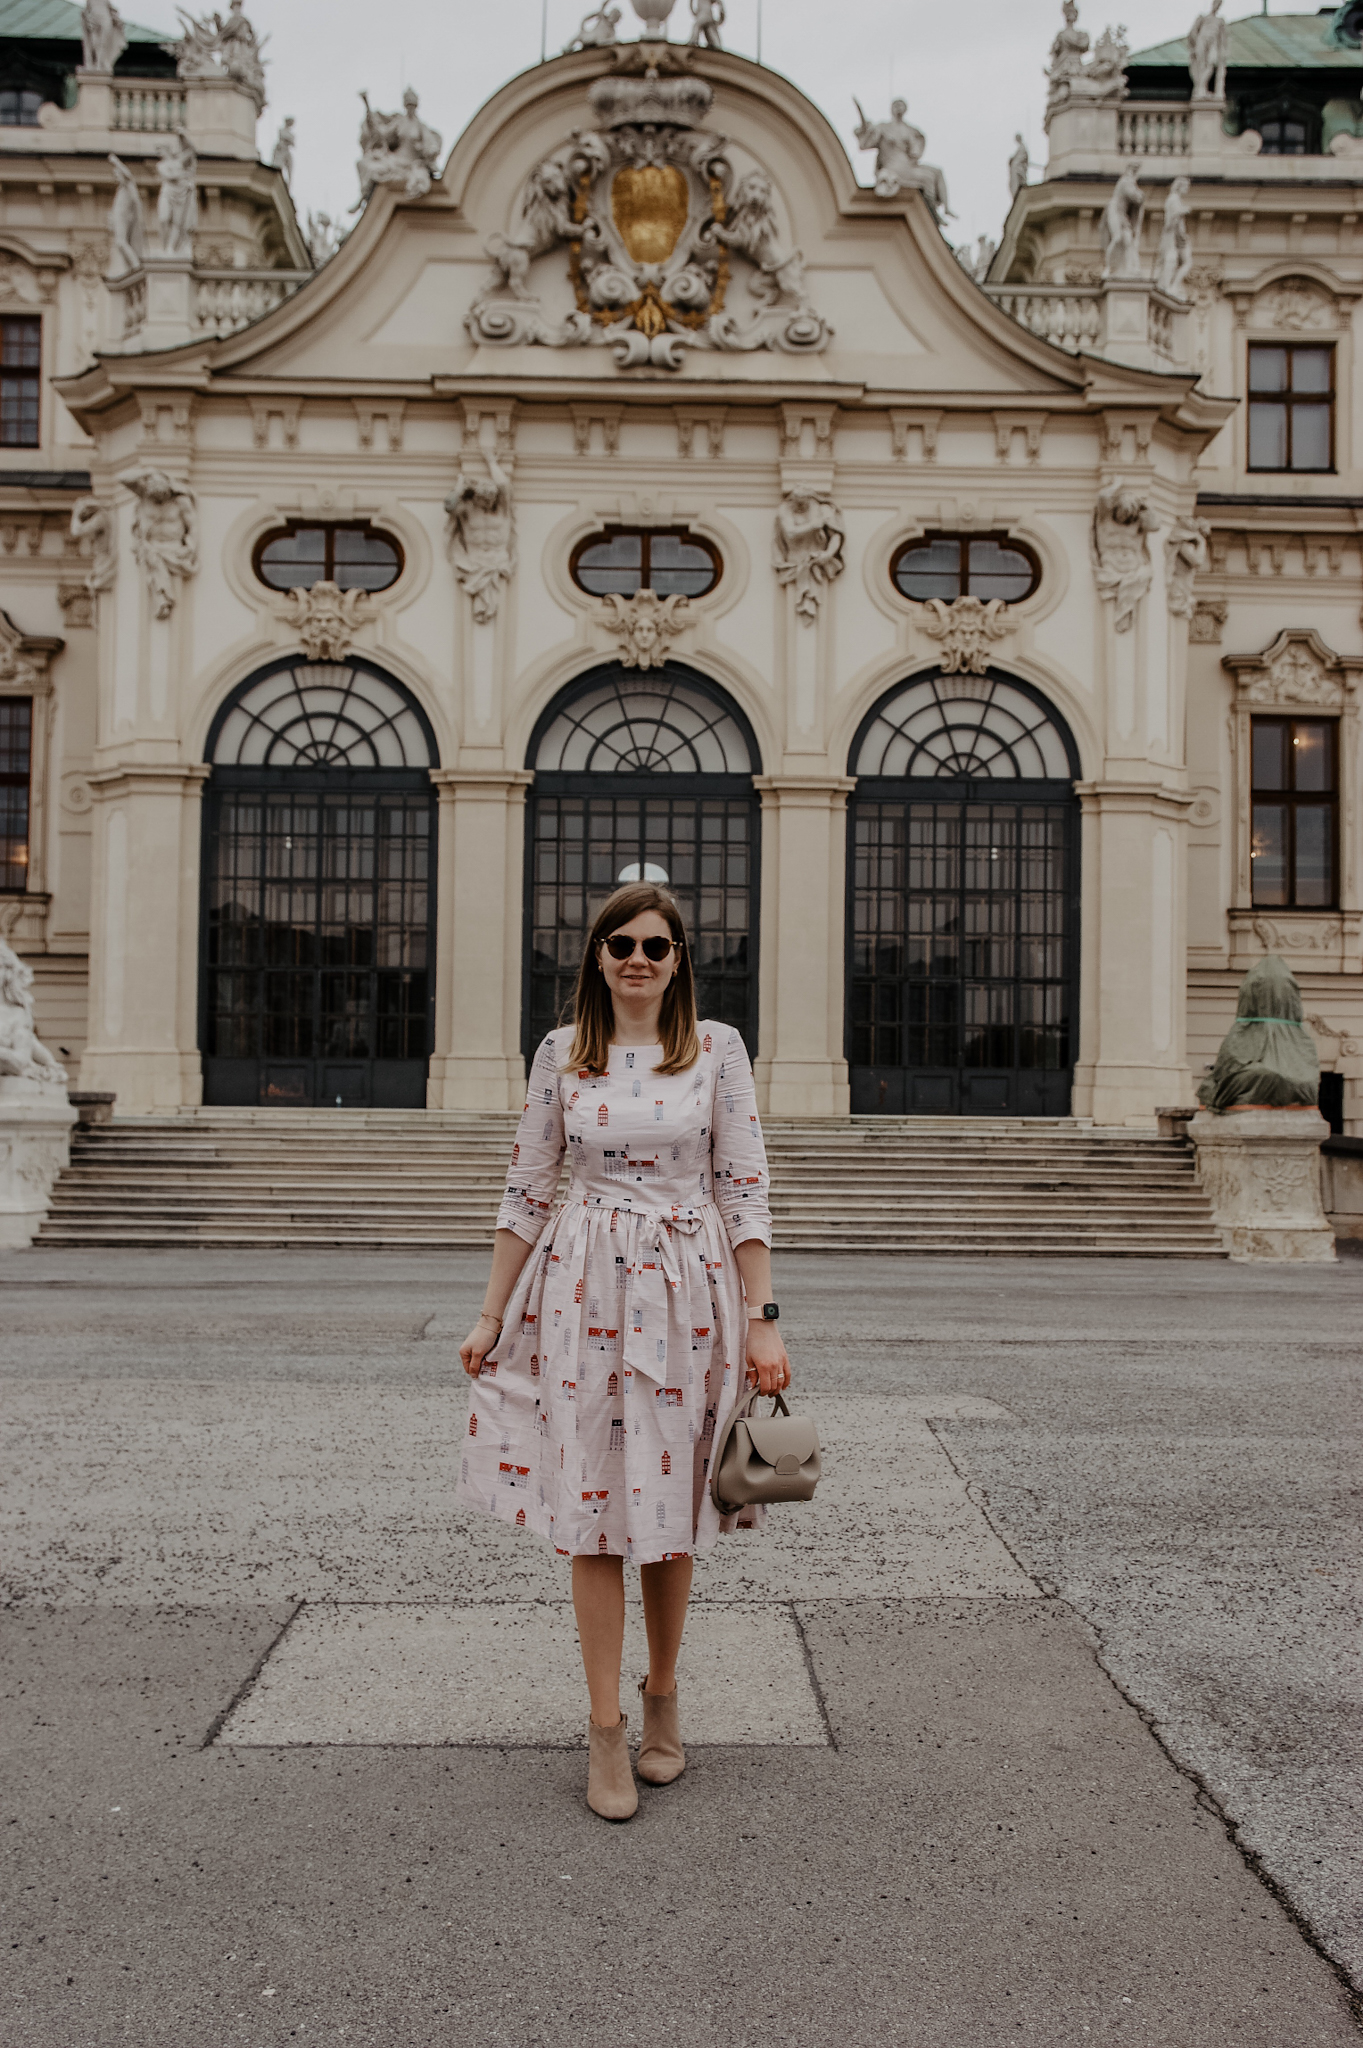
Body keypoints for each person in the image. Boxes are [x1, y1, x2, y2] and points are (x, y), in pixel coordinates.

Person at [458, 882, 789, 1822]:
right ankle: (604, 1724)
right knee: (592, 1505)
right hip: (582, 1283)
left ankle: (662, 1697)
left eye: (655, 944)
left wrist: (764, 1316)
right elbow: (526, 1187)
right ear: (596, 957)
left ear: (679, 957)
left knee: (673, 1502)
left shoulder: (717, 1049)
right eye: (619, 943)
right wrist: (488, 1317)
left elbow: (743, 1187)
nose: (637, 958)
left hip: (689, 1289)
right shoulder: (562, 1053)